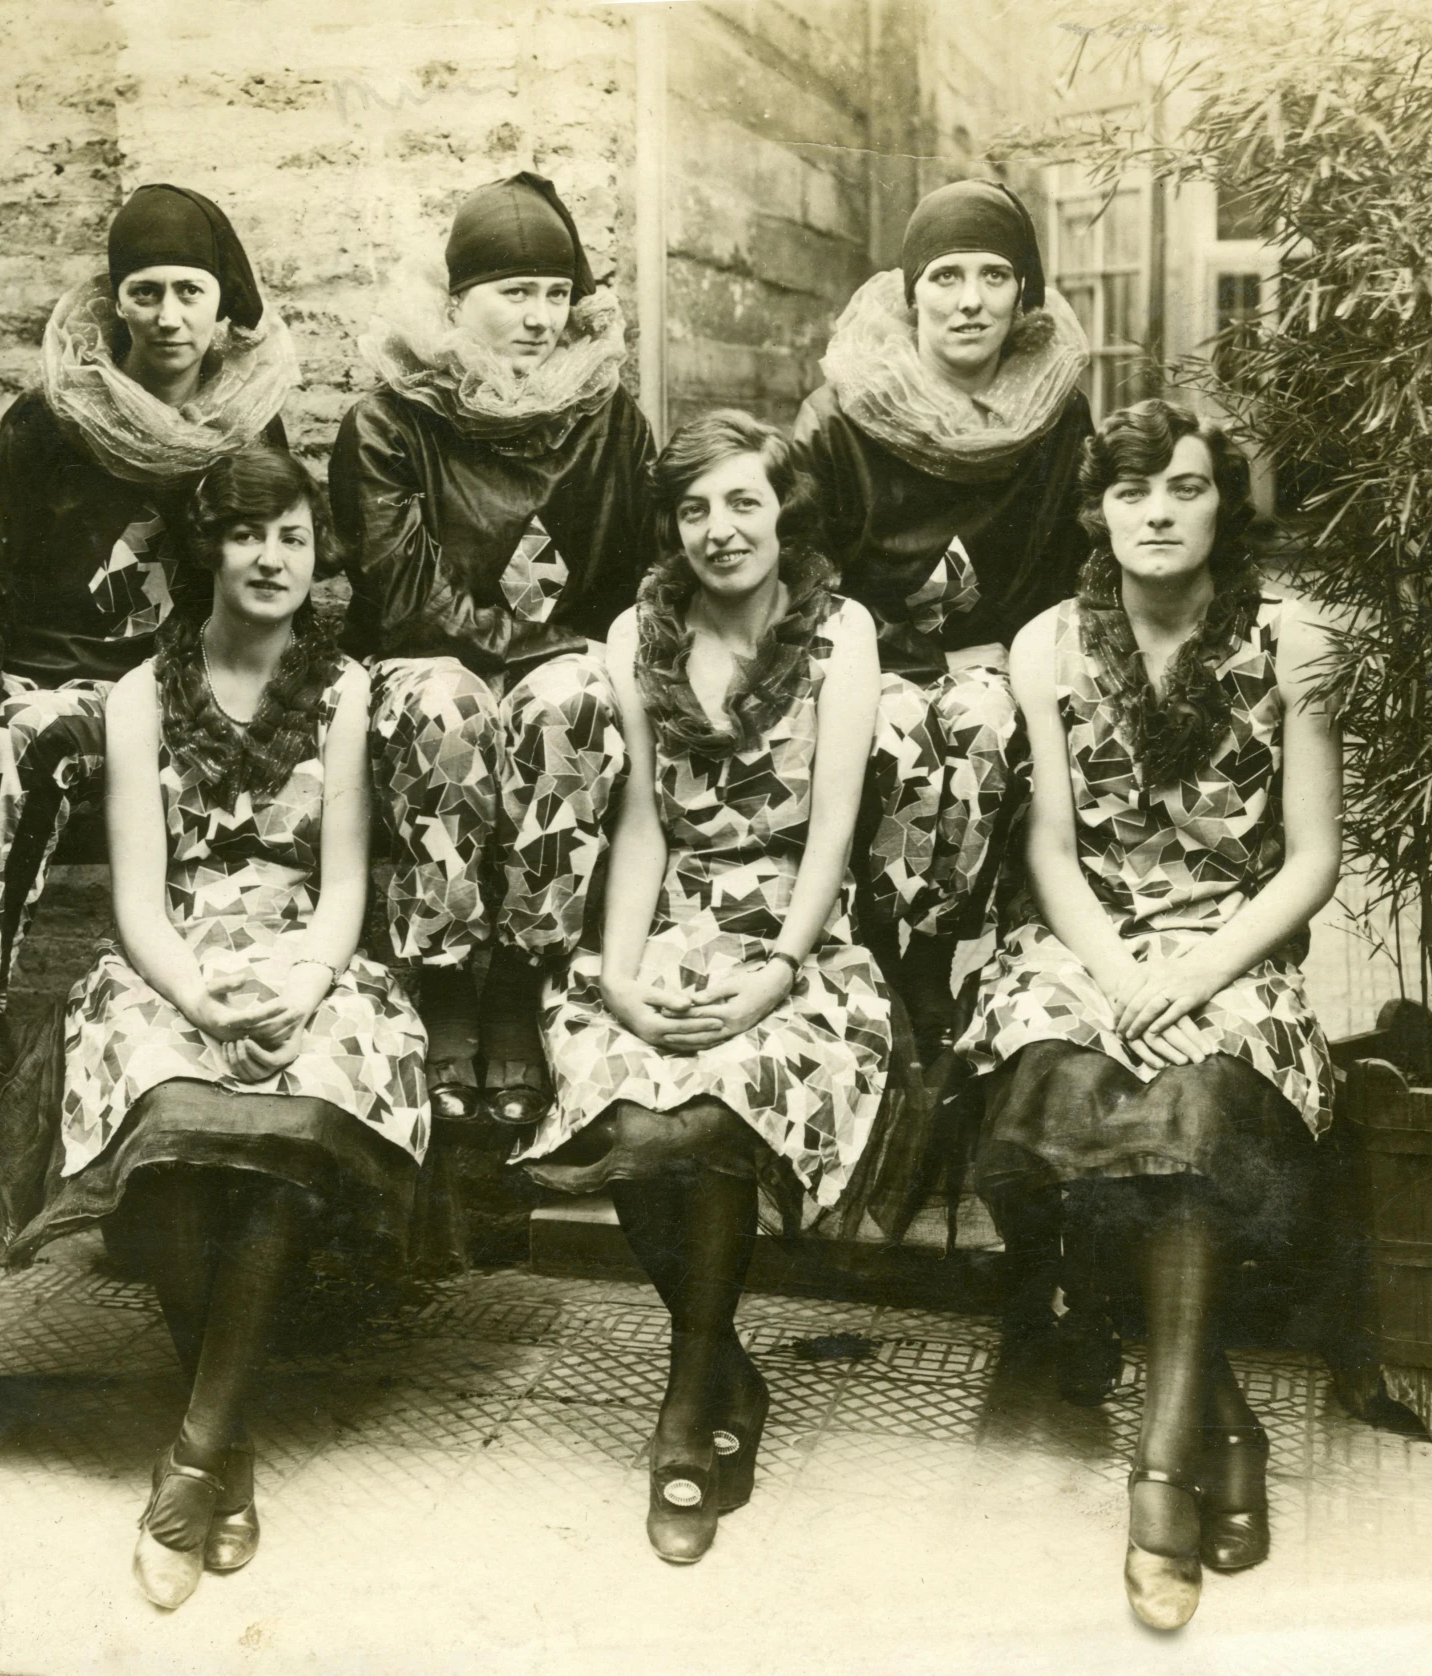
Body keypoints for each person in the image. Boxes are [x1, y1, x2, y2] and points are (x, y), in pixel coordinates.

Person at [0, 444, 427, 1611]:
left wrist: (300, 983)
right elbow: (138, 899)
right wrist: (196, 998)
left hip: (304, 958)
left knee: (291, 1112)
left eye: (293, 535)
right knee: (178, 1109)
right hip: (174, 959)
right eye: (248, 533)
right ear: (208, 548)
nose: (272, 556)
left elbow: (342, 885)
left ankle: (194, 1452)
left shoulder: (343, 691)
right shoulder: (140, 693)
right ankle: (225, 1447)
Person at [954, 399, 1341, 1630]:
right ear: (1096, 511)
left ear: (1222, 502)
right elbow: (1051, 850)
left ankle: (1159, 1478)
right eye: (1131, 493)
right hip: (1090, 940)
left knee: (1190, 1111)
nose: (1158, 513)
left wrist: (1194, 975)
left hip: (1235, 944)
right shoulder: (1045, 645)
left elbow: (1309, 861)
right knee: (1058, 1069)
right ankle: (1220, 1427)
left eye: (1182, 487)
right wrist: (1121, 976)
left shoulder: (1293, 642)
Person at [513, 410, 890, 1564]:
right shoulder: (638, 633)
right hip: (671, 918)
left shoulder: (840, 634)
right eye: (693, 509)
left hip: (795, 935)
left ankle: (687, 1397)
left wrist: (777, 970)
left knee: (715, 1102)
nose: (719, 529)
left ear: (784, 509)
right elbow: (638, 824)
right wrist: (619, 978)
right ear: (671, 528)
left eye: (741, 502)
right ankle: (721, 1358)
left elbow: (831, 831)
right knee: (628, 1103)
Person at [0, 184, 297, 1094]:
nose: (169, 317)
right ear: (118, 304)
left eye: (190, 291)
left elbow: (271, 565)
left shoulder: (244, 427)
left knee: (44, 735)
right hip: (48, 680)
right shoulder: (50, 421)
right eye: (146, 292)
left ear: (222, 304)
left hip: (177, 697)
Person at [792, 177, 1104, 1395]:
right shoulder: (844, 412)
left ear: (1023, 296)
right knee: (904, 729)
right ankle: (904, 1006)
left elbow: (1078, 562)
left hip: (1001, 668)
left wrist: (1011, 649)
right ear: (908, 294)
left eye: (991, 278)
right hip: (869, 663)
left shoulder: (1054, 410)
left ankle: (932, 1014)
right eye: (944, 279)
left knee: (974, 723)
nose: (968, 300)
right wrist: (883, 647)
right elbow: (803, 565)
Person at [330, 172, 656, 1129]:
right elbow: (404, 593)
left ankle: (519, 977)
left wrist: (570, 658)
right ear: (456, 303)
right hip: (424, 661)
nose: (541, 318)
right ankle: (440, 980)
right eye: (514, 294)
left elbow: (641, 569)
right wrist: (522, 654)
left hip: (562, 664)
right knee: (449, 705)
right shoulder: (390, 419)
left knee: (575, 702)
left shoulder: (607, 416)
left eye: (557, 294)